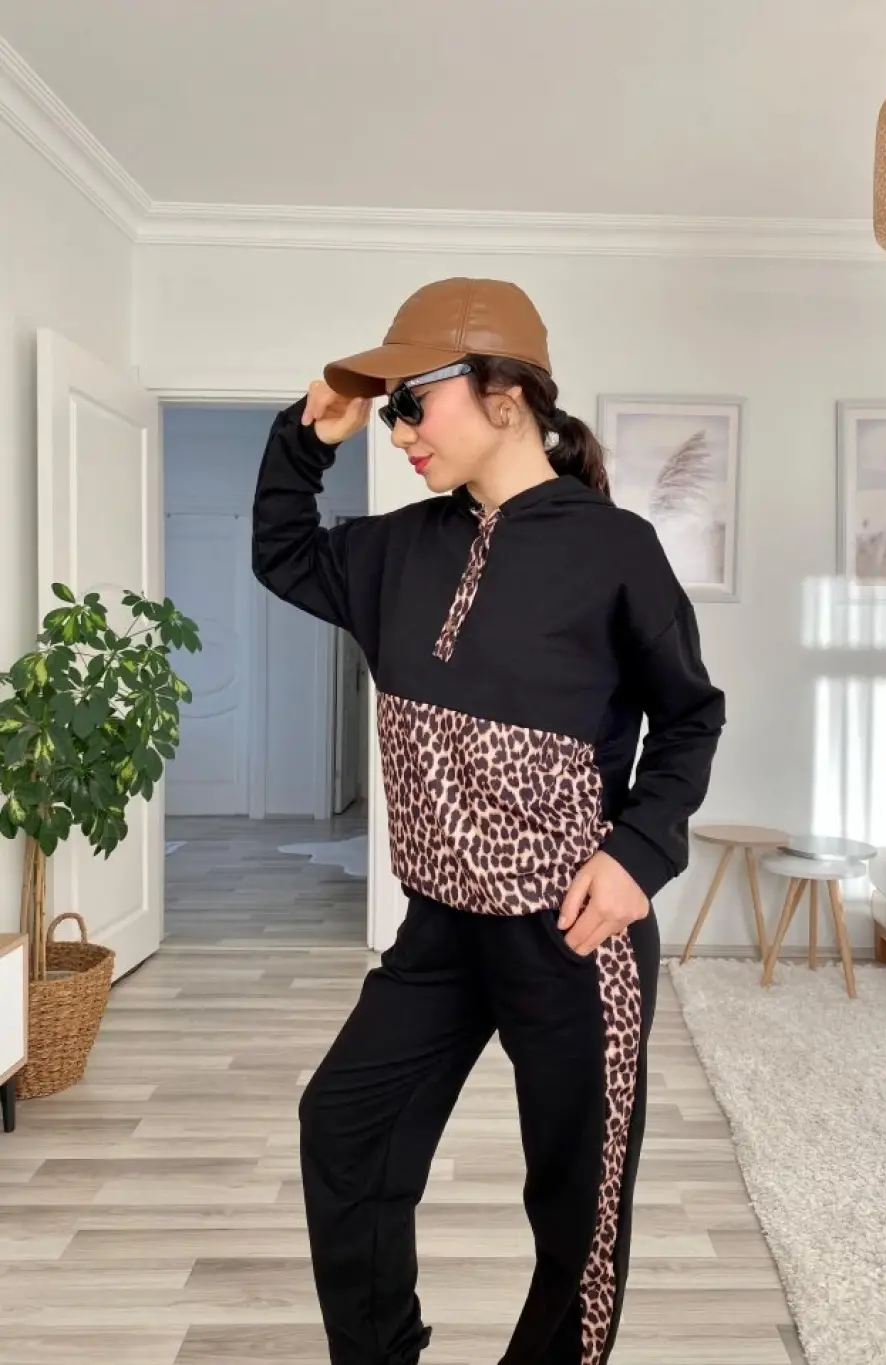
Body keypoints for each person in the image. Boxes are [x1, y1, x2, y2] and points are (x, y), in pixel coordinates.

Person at [252, 277, 726, 1365]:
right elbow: (282, 552)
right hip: (439, 929)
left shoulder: (615, 549)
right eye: (392, 411)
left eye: (414, 401)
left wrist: (636, 856)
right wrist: (306, 438)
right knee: (345, 1128)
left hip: (572, 932)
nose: (400, 430)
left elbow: (690, 717)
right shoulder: (395, 550)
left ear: (505, 394)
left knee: (577, 1206)